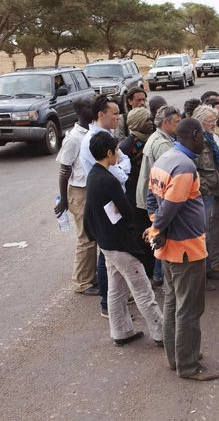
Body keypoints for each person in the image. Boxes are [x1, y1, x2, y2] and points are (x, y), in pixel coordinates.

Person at [145, 118, 219, 381]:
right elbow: (170, 208)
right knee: (189, 309)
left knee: (174, 304)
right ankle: (188, 366)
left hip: (170, 250)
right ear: (195, 134)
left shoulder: (165, 159)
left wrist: (157, 229)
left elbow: (151, 199)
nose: (205, 142)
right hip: (186, 250)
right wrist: (157, 230)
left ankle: (176, 357)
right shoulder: (185, 166)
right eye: (203, 137)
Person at [84, 131, 163, 348]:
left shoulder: (93, 174)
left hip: (107, 243)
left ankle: (121, 331)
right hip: (120, 244)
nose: (118, 153)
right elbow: (127, 211)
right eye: (116, 150)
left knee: (116, 290)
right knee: (143, 290)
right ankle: (162, 333)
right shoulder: (108, 179)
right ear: (109, 153)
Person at [80, 95, 131, 318]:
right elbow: (115, 172)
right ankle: (106, 303)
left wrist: (122, 167)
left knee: (113, 252)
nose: (118, 117)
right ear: (101, 115)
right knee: (107, 252)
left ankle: (115, 296)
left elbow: (123, 162)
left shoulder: (107, 135)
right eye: (115, 114)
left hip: (113, 197)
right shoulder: (92, 140)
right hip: (105, 203)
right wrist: (121, 169)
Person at [54, 98, 98, 295]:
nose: (93, 109)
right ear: (80, 111)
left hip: (93, 189)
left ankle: (91, 274)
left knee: (95, 236)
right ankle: (82, 282)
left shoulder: (93, 131)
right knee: (86, 238)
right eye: (89, 107)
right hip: (80, 192)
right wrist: (64, 200)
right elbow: (64, 170)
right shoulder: (73, 138)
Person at [137, 106, 181, 286]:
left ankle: (158, 274)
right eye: (177, 122)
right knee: (162, 234)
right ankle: (160, 274)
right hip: (157, 197)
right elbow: (169, 174)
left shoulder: (159, 138)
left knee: (160, 233)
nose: (179, 125)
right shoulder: (163, 144)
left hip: (153, 196)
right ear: (166, 123)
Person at [192, 106, 219, 289]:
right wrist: (205, 187)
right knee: (201, 234)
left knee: (208, 232)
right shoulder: (196, 141)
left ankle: (208, 267)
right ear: (200, 121)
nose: (214, 123)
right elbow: (195, 169)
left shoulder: (211, 139)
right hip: (203, 193)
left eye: (215, 120)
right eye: (210, 120)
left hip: (212, 191)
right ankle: (201, 276)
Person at [118, 107, 156, 275]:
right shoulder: (127, 146)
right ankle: (146, 271)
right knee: (141, 234)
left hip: (150, 193)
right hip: (134, 197)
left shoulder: (152, 140)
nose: (151, 123)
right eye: (147, 120)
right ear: (138, 123)